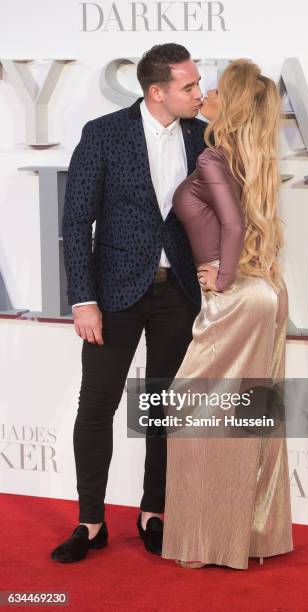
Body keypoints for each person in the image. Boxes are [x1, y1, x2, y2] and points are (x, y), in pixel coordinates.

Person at [51, 43, 207, 563]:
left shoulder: (201, 135)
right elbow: (76, 223)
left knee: (162, 408)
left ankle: (153, 513)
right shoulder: (104, 134)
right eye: (188, 86)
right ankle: (90, 523)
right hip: (112, 294)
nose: (197, 93)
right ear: (157, 91)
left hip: (179, 292)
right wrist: (82, 300)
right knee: (97, 405)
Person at [161, 59, 294, 570]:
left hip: (236, 293)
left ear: (230, 104)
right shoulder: (249, 159)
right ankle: (250, 535)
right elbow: (240, 222)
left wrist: (218, 279)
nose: (204, 96)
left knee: (192, 412)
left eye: (212, 90)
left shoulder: (216, 156)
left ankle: (208, 542)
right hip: (264, 290)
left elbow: (232, 227)